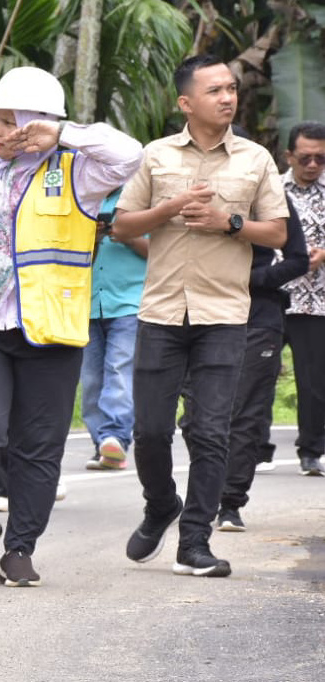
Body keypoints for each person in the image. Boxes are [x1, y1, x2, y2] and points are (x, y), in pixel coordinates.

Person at [0, 66, 142, 587]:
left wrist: (62, 134)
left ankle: (20, 546)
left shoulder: (77, 172)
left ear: (37, 122)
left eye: (9, 119)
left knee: (38, 447)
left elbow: (131, 155)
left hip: (51, 332)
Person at [114, 54, 288, 578]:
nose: (228, 97)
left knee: (211, 433)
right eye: (215, 90)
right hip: (162, 312)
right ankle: (160, 504)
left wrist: (227, 221)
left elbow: (277, 233)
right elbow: (123, 226)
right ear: (186, 102)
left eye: (231, 89)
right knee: (148, 431)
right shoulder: (156, 155)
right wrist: (167, 210)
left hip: (225, 314)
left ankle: (195, 542)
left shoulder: (255, 159)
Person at [212, 196, 309, 530]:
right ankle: (203, 495)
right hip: (200, 310)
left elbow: (298, 259)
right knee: (198, 414)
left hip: (259, 313)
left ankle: (230, 501)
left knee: (246, 411)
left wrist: (254, 279)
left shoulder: (270, 195)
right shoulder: (193, 189)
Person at [80, 187, 147, 471]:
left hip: (130, 300)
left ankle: (115, 437)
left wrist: (127, 235)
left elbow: (160, 252)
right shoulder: (81, 193)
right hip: (85, 301)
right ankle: (103, 445)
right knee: (91, 378)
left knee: (120, 369)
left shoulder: (141, 196)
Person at [281, 121, 325, 475]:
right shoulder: (270, 188)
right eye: (305, 157)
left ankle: (311, 451)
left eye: (321, 158)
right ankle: (252, 448)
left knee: (313, 380)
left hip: (316, 300)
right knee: (253, 376)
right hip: (270, 293)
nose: (312, 165)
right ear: (289, 155)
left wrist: (322, 253)